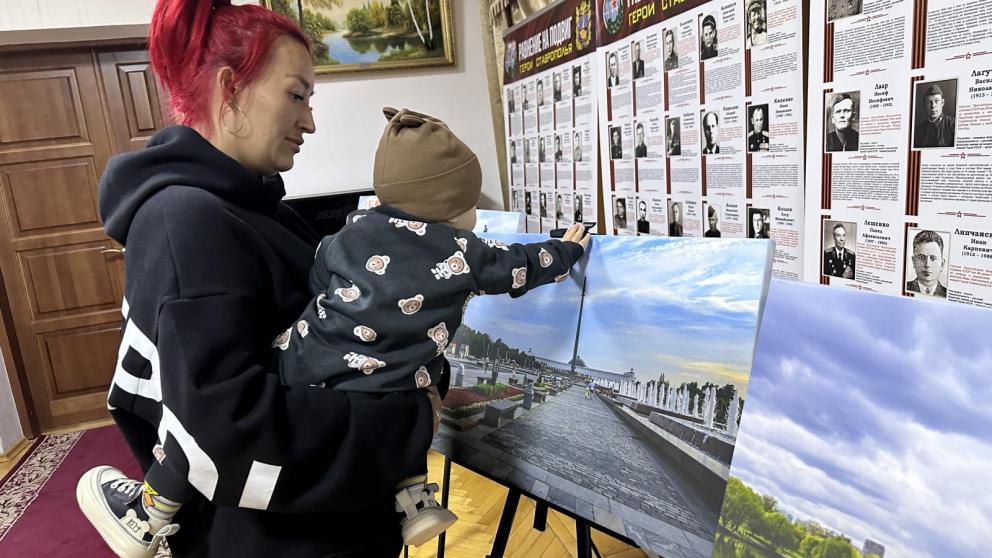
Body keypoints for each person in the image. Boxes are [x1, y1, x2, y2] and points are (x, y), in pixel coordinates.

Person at [73, 3, 442, 558]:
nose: (310, 121)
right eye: (297, 95)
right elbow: (230, 427)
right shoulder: (190, 221)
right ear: (230, 90)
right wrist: (411, 417)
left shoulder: (247, 208)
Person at [906, 230, 947, 297]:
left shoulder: (946, 294)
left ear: (942, 264)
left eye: (933, 258)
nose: (927, 264)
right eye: (922, 258)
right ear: (914, 261)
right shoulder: (904, 287)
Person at [914, 83, 956, 148]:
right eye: (929, 102)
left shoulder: (953, 125)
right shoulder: (918, 130)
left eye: (936, 101)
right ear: (925, 105)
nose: (933, 106)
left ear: (942, 102)